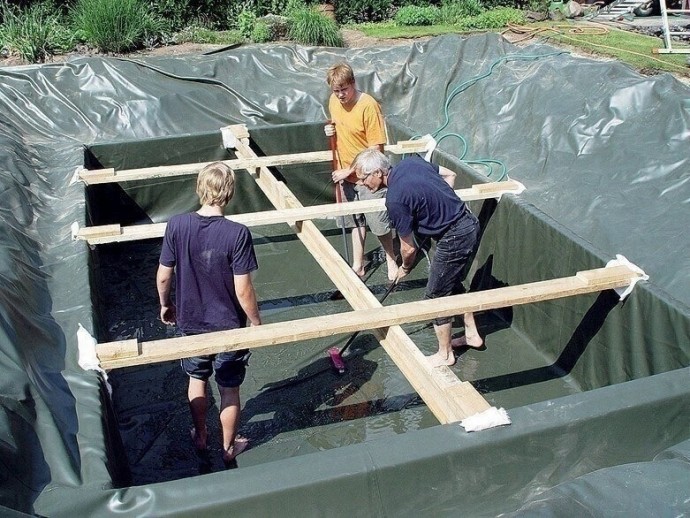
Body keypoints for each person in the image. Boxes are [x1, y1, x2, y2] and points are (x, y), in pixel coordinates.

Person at [156, 161, 261, 466]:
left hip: (191, 325)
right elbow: (243, 289)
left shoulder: (177, 225)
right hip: (229, 328)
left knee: (196, 379)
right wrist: (255, 322)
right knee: (229, 388)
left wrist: (165, 304)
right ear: (229, 193)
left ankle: (201, 435)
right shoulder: (237, 233)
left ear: (200, 188)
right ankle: (228, 447)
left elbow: (164, 275)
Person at [352, 149, 484, 368]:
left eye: (364, 179)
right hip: (467, 222)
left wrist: (404, 267)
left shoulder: (395, 199)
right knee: (449, 283)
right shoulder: (411, 162)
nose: (362, 184)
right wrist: (438, 209)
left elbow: (409, 249)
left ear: (377, 172)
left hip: (455, 236)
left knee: (435, 296)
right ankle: (471, 335)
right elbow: (450, 174)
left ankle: (445, 354)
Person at [324, 61, 399, 281]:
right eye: (336, 91)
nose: (340, 95)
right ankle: (358, 265)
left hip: (368, 177)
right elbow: (339, 128)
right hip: (346, 174)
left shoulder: (368, 106)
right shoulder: (333, 102)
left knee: (379, 224)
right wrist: (329, 128)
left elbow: (376, 149)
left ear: (353, 83)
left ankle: (391, 259)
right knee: (355, 222)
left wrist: (350, 170)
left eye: (344, 90)